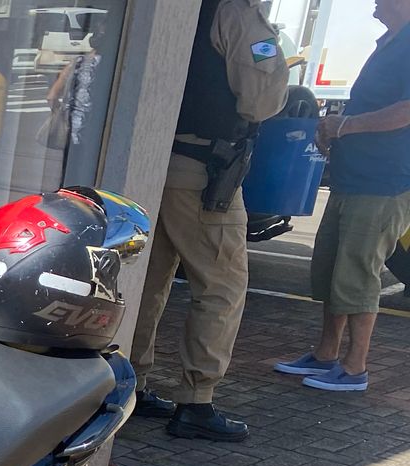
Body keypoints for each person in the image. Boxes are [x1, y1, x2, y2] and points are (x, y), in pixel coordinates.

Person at [129, 0, 290, 441]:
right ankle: (196, 401)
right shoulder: (236, 11)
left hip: (153, 160)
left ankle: (131, 382)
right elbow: (261, 99)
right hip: (203, 171)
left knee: (150, 278)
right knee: (221, 287)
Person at [275, 0, 410, 391]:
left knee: (358, 275)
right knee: (333, 269)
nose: (374, 0)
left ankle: (355, 369)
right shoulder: (389, 41)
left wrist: (346, 125)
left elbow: (405, 110)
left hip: (382, 183)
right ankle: (325, 354)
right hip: (354, 179)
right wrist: (335, 130)